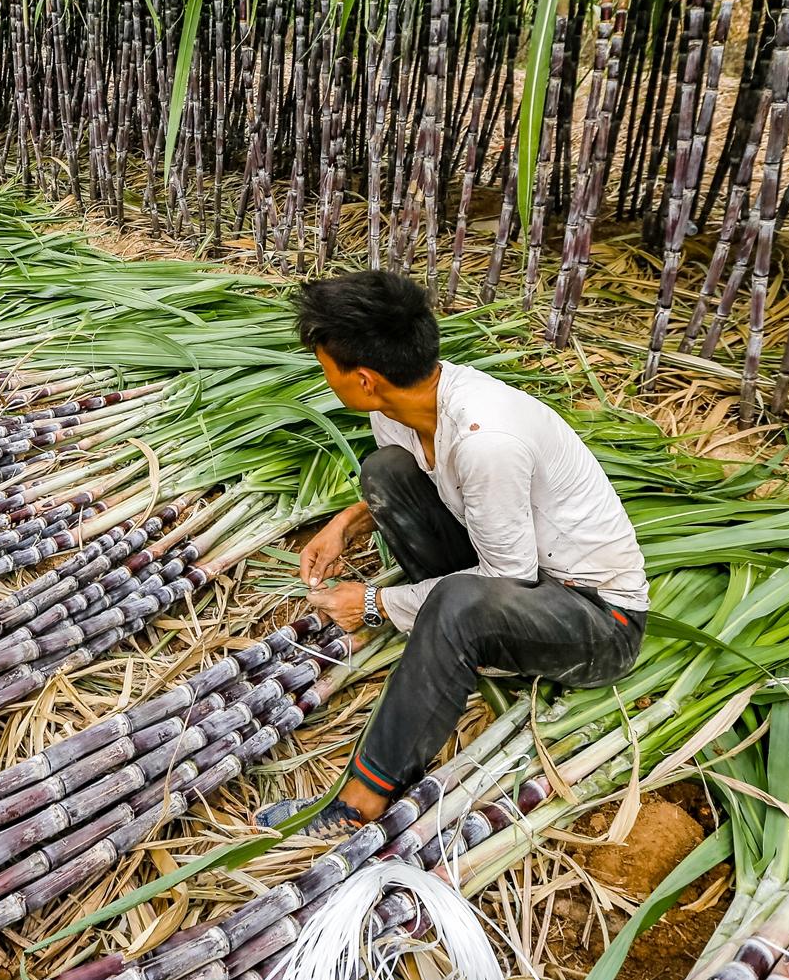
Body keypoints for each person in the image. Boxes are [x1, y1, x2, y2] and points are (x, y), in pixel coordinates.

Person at [258, 270, 647, 837]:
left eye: (326, 366)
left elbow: (508, 578)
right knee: (384, 472)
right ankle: (448, 632)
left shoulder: (487, 439)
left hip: (595, 619)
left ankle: (363, 799)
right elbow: (425, 479)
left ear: (364, 379)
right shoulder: (399, 406)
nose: (324, 376)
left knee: (457, 603)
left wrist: (373, 602)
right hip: (520, 575)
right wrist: (346, 522)